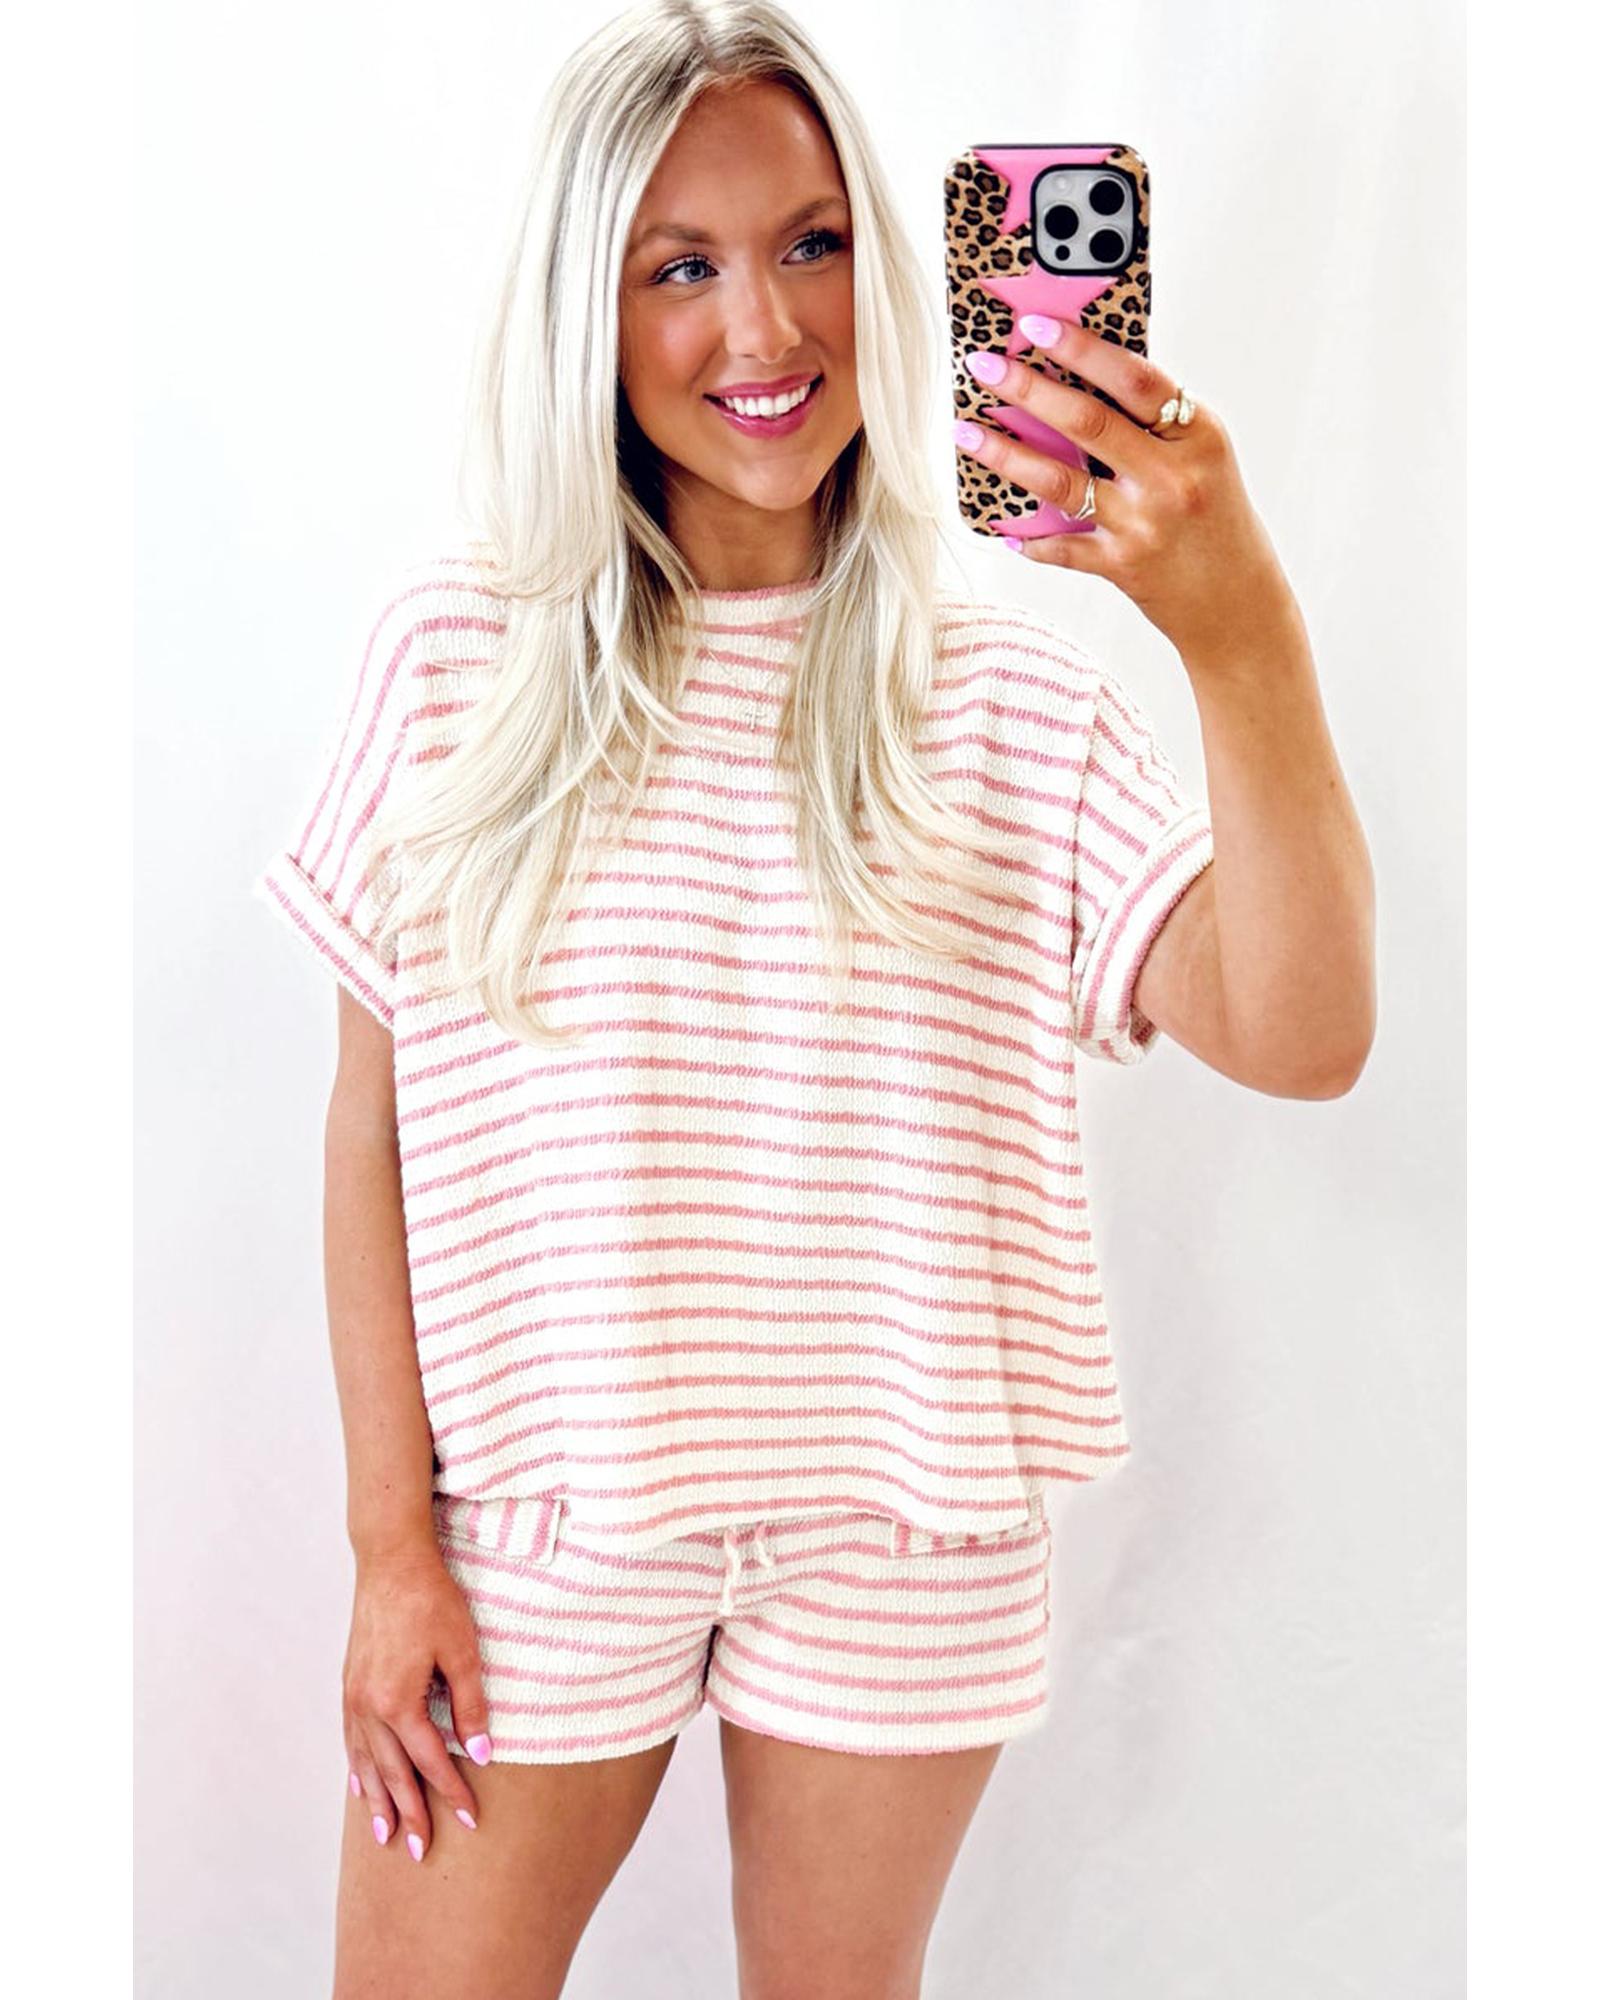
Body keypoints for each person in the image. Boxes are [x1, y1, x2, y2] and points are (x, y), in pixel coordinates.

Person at [252, 3, 1376, 1994]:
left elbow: (1305, 1036)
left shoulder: (1006, 696)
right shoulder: (457, 663)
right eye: (676, 268)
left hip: (901, 1519)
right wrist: (388, 1549)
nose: (762, 331)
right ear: (584, 313)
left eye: (811, 243)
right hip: (541, 1518)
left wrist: (1240, 634)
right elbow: (372, 1131)